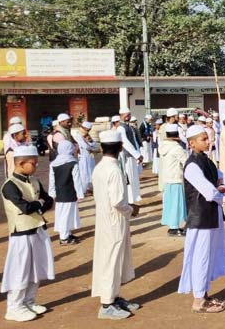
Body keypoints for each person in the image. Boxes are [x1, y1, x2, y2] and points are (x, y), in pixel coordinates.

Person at [178, 125, 225, 313]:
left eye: (208, 138)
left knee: (210, 255)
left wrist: (221, 188)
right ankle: (198, 301)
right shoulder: (192, 165)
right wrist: (219, 190)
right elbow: (209, 192)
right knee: (200, 257)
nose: (208, 142)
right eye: (203, 139)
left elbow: (224, 181)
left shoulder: (207, 161)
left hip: (213, 215)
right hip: (201, 217)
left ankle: (204, 294)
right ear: (192, 143)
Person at [1, 145, 54, 322]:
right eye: (34, 163)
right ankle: (14, 307)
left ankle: (29, 301)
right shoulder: (9, 186)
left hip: (37, 229)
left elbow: (48, 200)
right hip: (21, 234)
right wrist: (38, 204)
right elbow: (25, 207)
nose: (36, 166)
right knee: (20, 271)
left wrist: (38, 204)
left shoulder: (34, 181)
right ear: (21, 163)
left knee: (35, 269)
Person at [91, 131, 140, 319]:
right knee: (112, 260)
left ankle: (114, 296)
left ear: (102, 148)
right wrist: (131, 209)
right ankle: (107, 304)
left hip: (105, 218)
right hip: (115, 219)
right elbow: (118, 201)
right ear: (120, 147)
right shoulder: (113, 170)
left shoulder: (99, 168)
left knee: (114, 258)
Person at [48, 141, 84, 245]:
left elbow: (52, 180)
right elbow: (77, 180)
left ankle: (67, 233)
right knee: (66, 215)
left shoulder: (54, 164)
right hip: (69, 193)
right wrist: (80, 194)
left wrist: (52, 193)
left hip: (60, 193)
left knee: (63, 214)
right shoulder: (73, 163)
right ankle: (64, 238)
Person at [159, 124, 188, 237]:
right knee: (176, 204)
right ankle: (174, 228)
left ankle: (173, 226)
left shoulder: (163, 146)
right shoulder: (177, 148)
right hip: (176, 178)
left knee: (170, 204)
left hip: (167, 178)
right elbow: (185, 162)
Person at [116, 108, 143, 205]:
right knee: (129, 177)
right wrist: (136, 154)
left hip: (133, 155)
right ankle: (130, 198)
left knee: (134, 176)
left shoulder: (129, 127)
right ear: (122, 115)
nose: (128, 117)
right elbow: (125, 143)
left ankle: (136, 196)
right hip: (126, 156)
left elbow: (134, 141)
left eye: (129, 115)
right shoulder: (121, 128)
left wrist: (138, 153)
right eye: (126, 115)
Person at [72, 120, 96, 195]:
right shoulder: (78, 134)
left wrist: (91, 145)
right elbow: (84, 146)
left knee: (90, 172)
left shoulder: (87, 135)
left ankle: (89, 189)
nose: (89, 130)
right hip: (83, 156)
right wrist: (91, 147)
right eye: (88, 129)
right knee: (84, 173)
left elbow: (94, 143)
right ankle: (82, 191)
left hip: (89, 156)